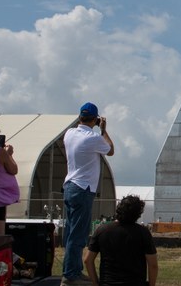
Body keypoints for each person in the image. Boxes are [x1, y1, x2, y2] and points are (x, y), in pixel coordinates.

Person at [62, 102, 115, 286]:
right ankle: (72, 273)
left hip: (69, 185)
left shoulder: (69, 134)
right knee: (79, 234)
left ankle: (70, 269)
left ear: (80, 117)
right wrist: (103, 130)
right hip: (83, 188)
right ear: (95, 119)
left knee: (70, 232)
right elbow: (111, 150)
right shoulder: (92, 138)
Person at [83, 195, 158, 286]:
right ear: (138, 214)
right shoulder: (143, 233)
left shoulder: (102, 230)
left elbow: (88, 260)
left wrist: (95, 282)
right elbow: (153, 265)